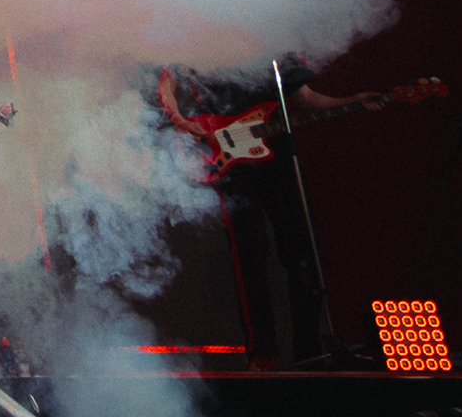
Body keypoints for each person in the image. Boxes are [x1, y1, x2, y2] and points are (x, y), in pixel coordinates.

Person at [153, 61, 445, 368]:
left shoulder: (279, 51)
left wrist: (352, 101)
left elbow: (307, 98)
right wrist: (179, 120)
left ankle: (309, 350)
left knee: (303, 252)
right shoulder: (202, 43)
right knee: (249, 255)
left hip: (280, 158)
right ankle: (262, 352)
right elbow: (166, 83)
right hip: (227, 160)